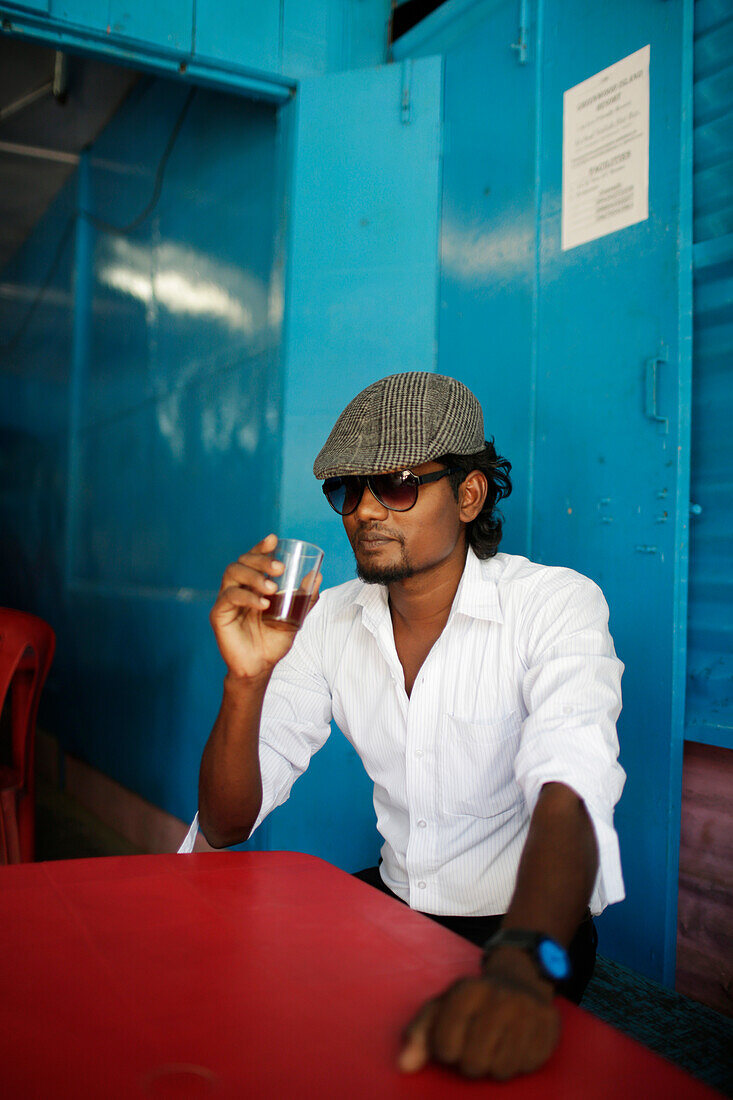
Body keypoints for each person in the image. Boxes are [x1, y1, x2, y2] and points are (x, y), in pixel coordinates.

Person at [193, 371, 625, 1082]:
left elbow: (570, 783)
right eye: (346, 492)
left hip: (526, 934)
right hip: (390, 906)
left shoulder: (553, 605)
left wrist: (520, 968)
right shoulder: (326, 618)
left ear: (467, 494)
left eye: (394, 484)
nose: (364, 511)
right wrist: (246, 681)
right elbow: (227, 822)